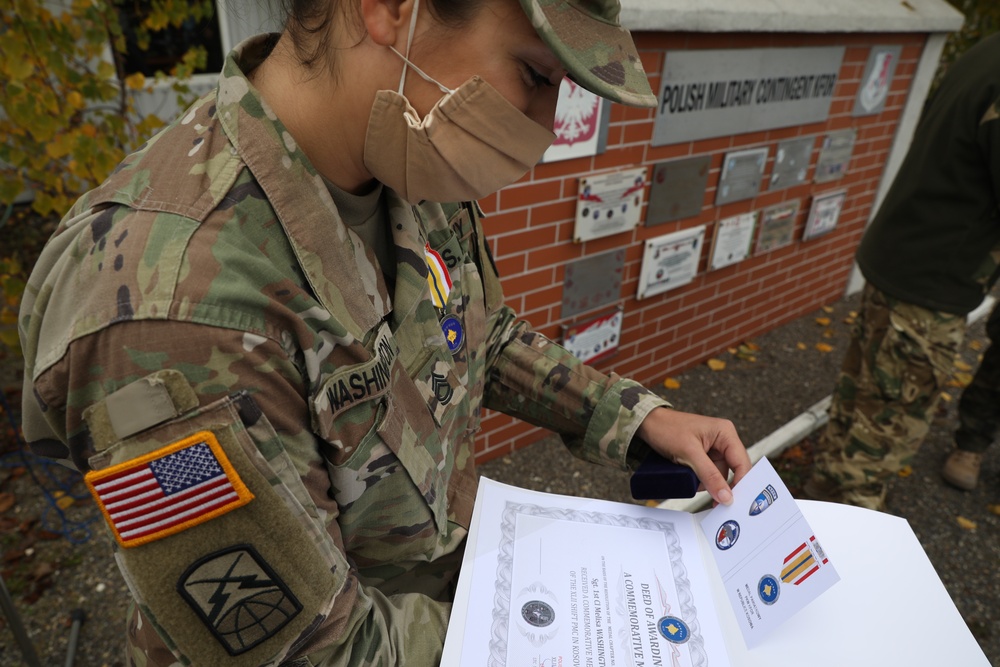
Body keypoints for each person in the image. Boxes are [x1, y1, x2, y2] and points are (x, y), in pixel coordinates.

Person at [18, 0, 751, 664]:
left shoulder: (407, 150)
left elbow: (477, 333)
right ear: (388, 10)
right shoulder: (178, 304)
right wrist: (564, 628)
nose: (547, 124)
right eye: (535, 74)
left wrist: (632, 416)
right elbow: (310, 653)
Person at [805, 32, 1000, 510]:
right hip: (931, 285)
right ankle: (844, 549)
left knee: (857, 407)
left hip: (903, 260)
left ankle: (818, 506)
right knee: (881, 437)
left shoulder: (988, 51)